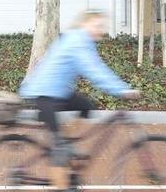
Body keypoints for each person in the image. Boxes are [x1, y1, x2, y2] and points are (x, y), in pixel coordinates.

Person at [19, 11, 140, 191]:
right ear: (84, 24)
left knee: (86, 106)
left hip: (58, 92)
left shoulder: (82, 41)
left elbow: (98, 67)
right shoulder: (78, 42)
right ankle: (63, 173)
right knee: (59, 152)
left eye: (102, 26)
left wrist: (120, 87)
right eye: (97, 25)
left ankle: (67, 142)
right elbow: (95, 71)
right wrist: (121, 90)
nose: (101, 30)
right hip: (44, 94)